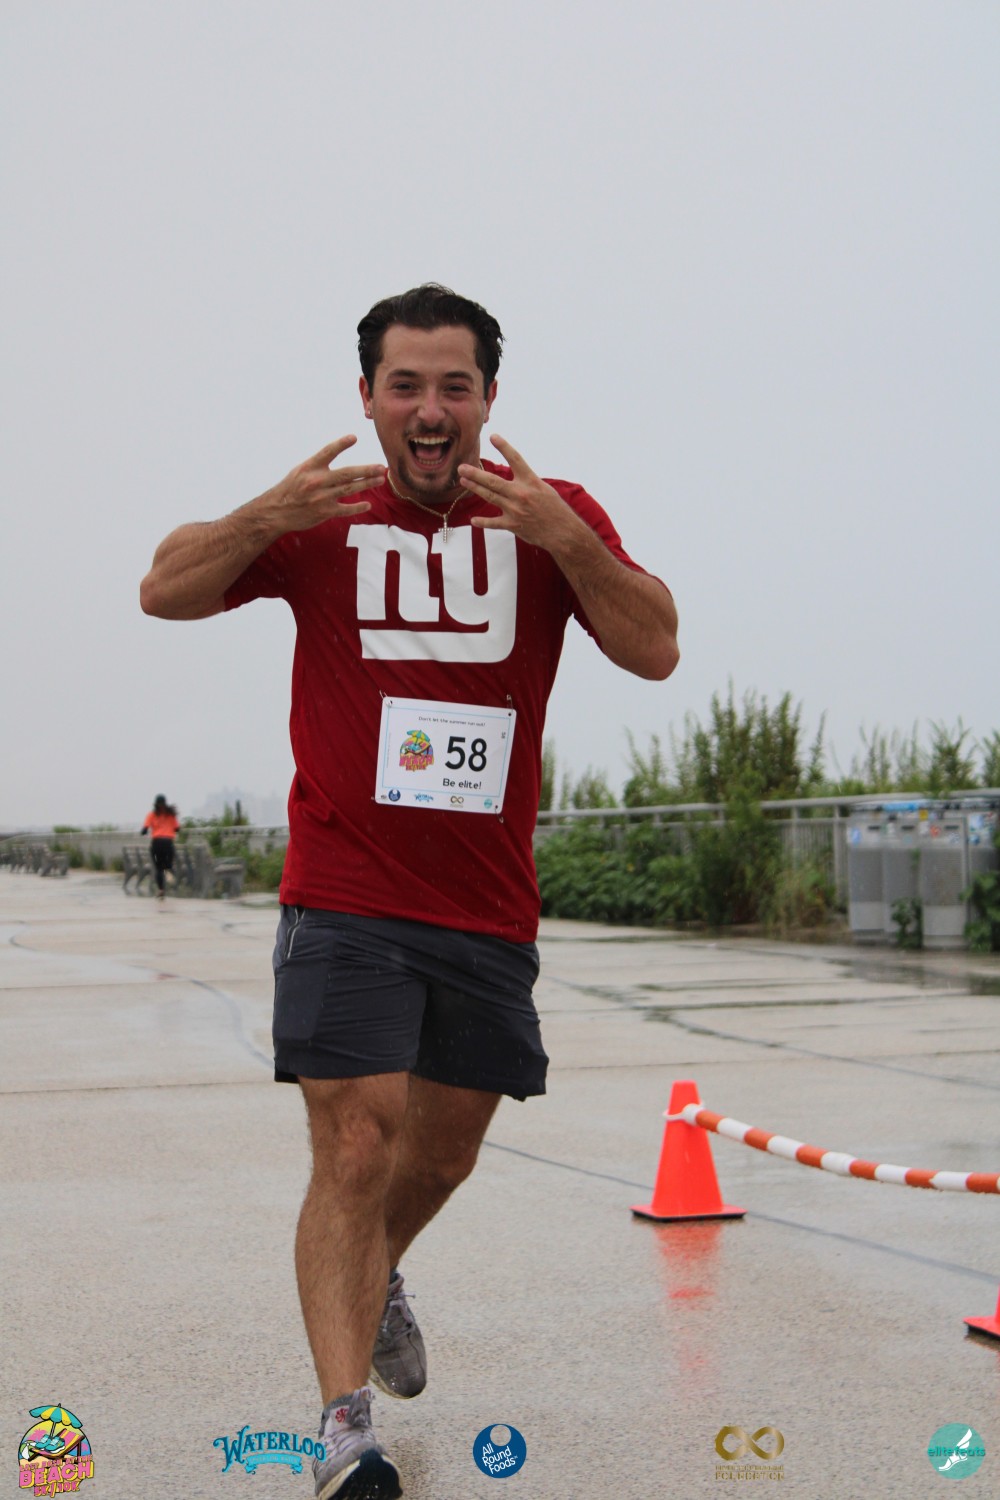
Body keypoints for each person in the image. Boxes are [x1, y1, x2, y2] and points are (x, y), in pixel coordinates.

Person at [140, 284, 678, 1500]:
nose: (430, 410)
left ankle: (373, 1277)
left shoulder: (550, 516)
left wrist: (568, 541)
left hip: (483, 903)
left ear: (488, 399)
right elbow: (163, 587)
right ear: (369, 398)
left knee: (438, 1156)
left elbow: (654, 647)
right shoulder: (319, 517)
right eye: (405, 386)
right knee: (356, 1143)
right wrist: (263, 514)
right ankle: (344, 1435)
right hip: (342, 888)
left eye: (453, 386)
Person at [141, 794, 179, 902]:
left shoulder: (152, 815)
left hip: (157, 844)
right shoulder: (171, 815)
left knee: (159, 868)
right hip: (168, 843)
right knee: (168, 865)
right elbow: (177, 828)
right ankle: (169, 872)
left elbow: (144, 829)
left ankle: (161, 889)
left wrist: (144, 832)